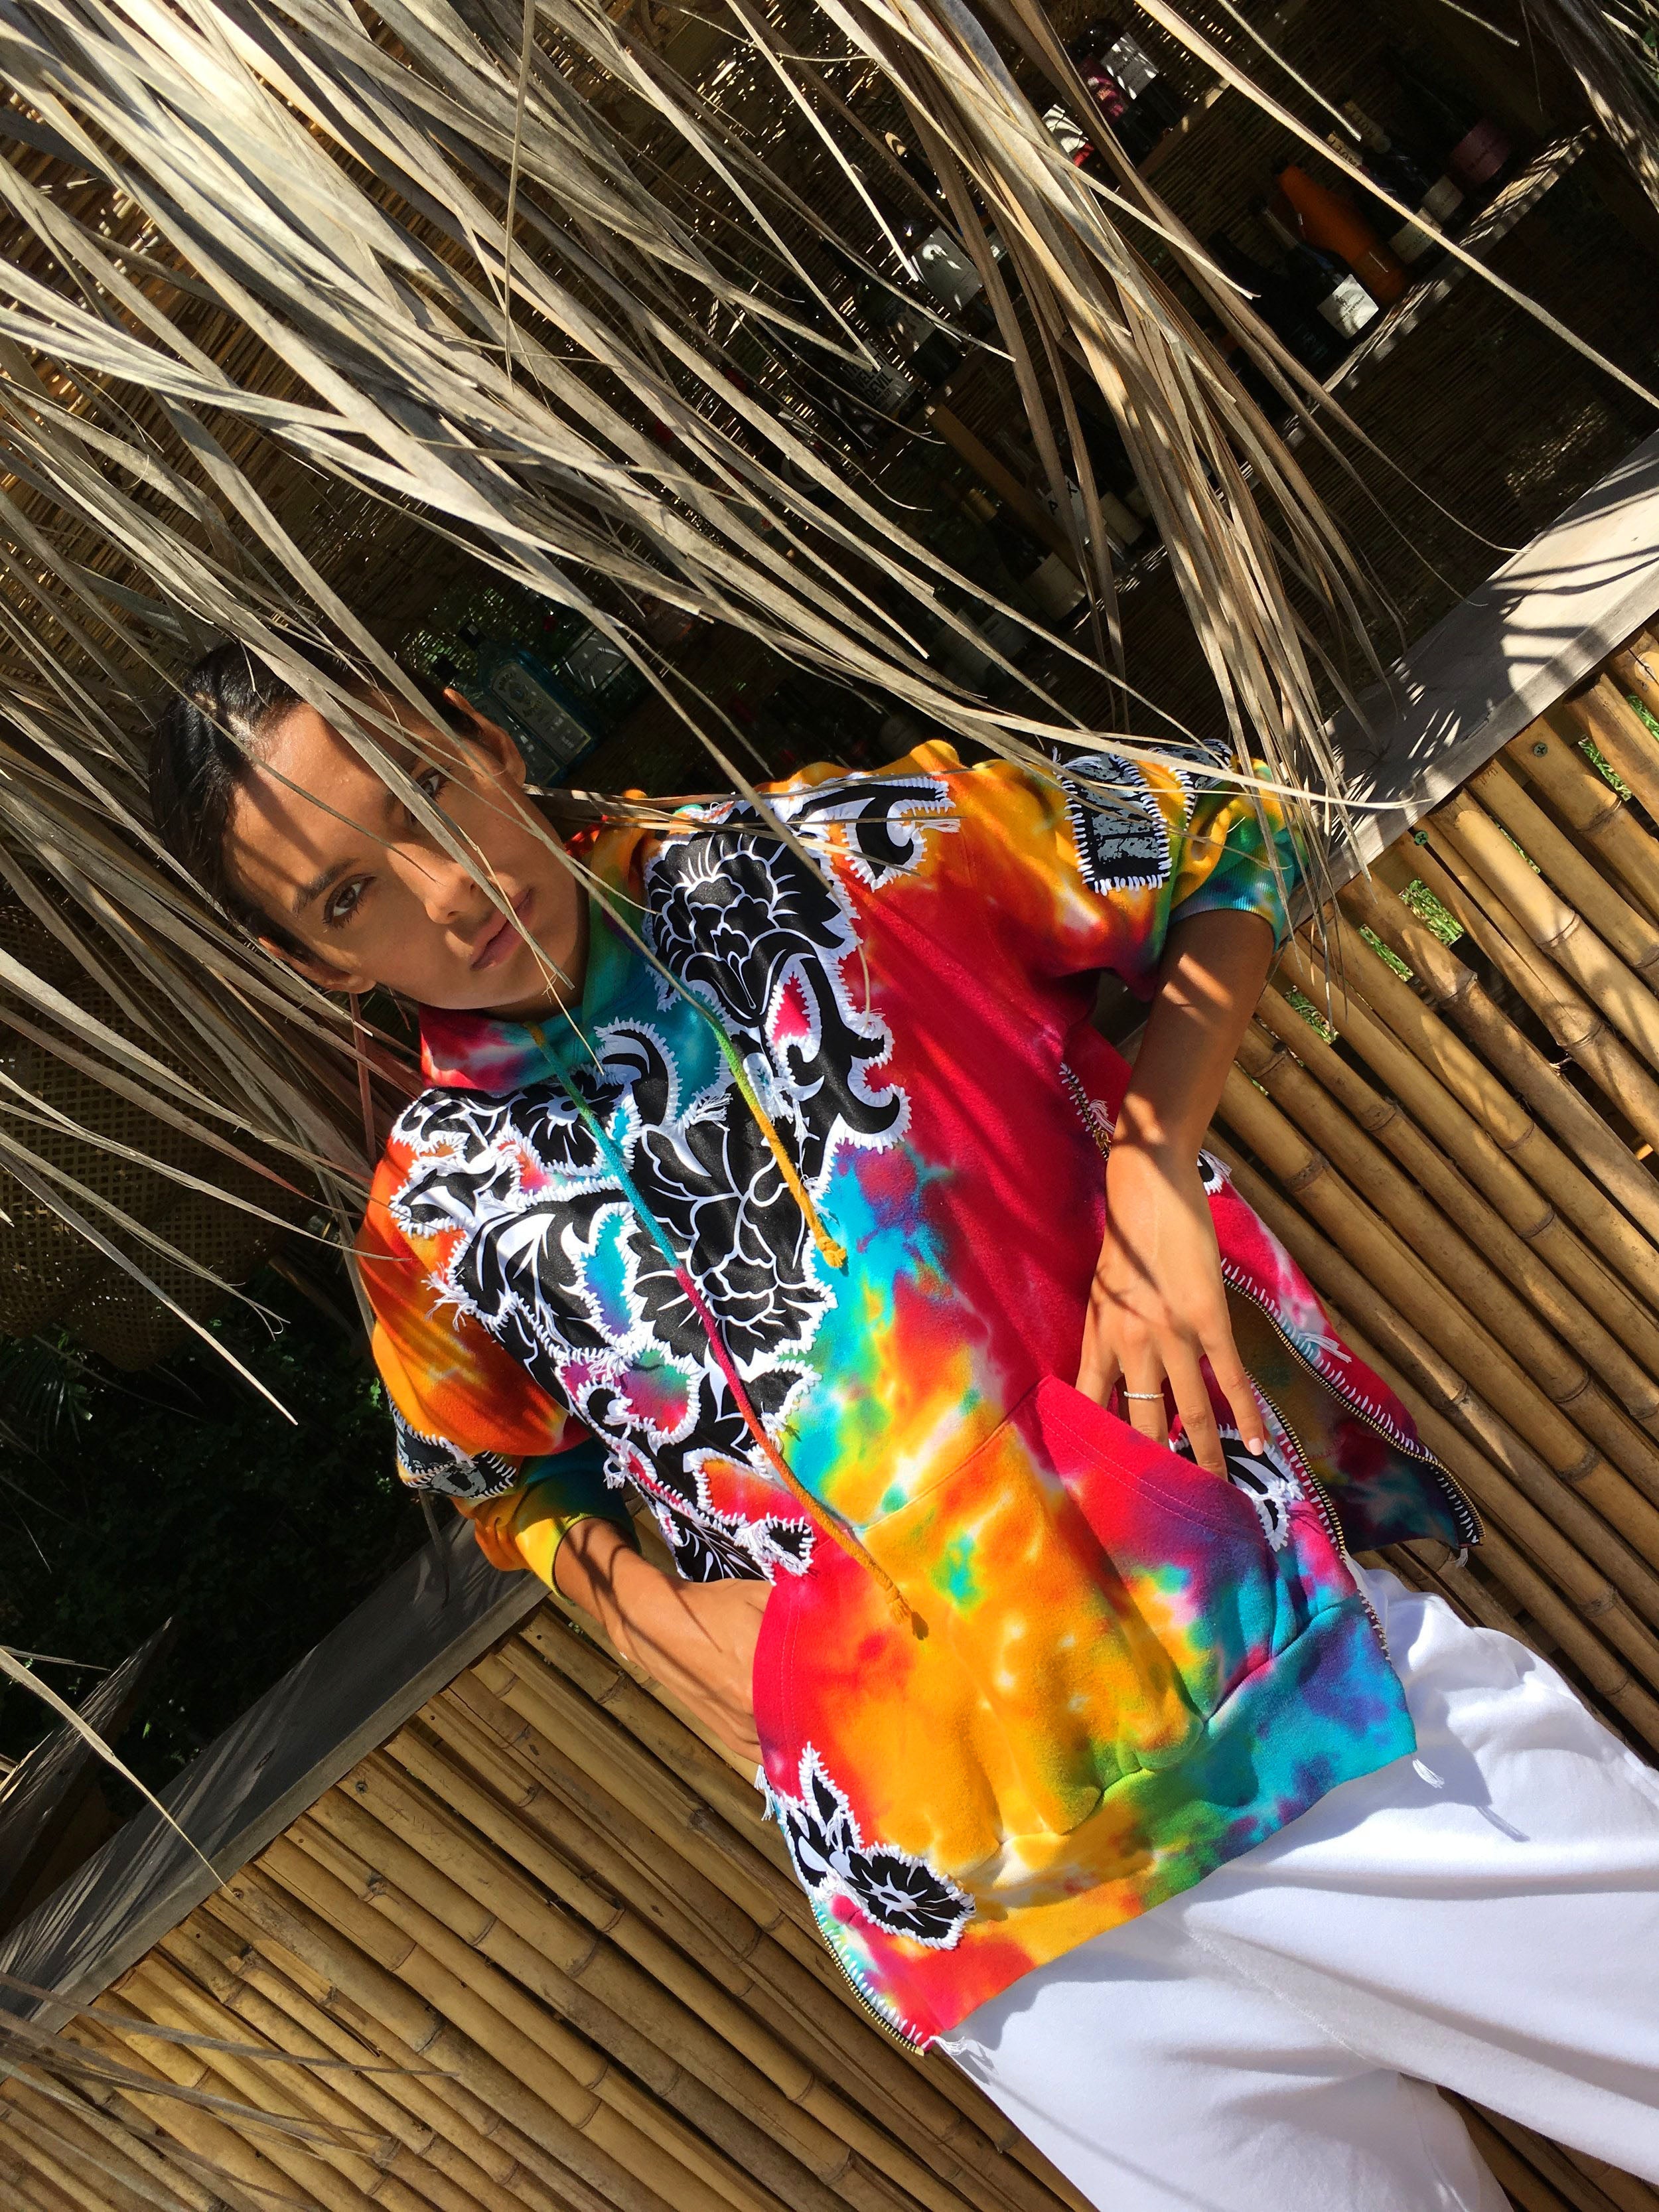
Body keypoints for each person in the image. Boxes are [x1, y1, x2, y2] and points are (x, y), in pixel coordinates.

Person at [150, 644, 1659, 2211]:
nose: (442, 884)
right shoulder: (427, 1223)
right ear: (317, 964)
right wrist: (650, 1617)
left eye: (420, 789)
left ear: (485, 737)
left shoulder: (831, 859)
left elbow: (1219, 826)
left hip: (1287, 1701)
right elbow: (496, 1475)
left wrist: (1151, 1162)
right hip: (996, 1933)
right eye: (349, 897)